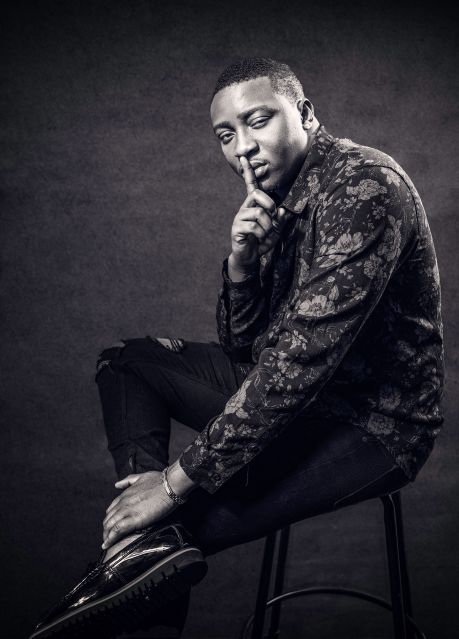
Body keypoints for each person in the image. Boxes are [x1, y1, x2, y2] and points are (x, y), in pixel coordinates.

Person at [30, 57, 444, 639]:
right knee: (127, 363)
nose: (242, 148)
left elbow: (295, 370)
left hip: (371, 427)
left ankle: (139, 545)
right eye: (226, 135)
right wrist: (242, 263)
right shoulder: (277, 197)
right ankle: (137, 537)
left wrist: (174, 484)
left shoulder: (363, 189)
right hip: (297, 401)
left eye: (258, 121)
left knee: (166, 534)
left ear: (305, 114)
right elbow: (246, 348)